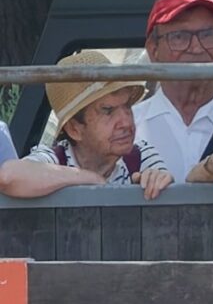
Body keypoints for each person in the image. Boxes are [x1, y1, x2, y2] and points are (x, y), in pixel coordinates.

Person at [0, 52, 172, 200]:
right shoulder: (53, 158)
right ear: (74, 129)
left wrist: (158, 181)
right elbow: (9, 177)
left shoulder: (142, 156)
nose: (126, 122)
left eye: (127, 106)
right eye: (108, 110)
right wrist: (89, 179)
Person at [131, 0, 213, 176]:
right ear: (153, 50)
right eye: (179, 37)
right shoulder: (128, 127)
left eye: (208, 35)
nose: (196, 48)